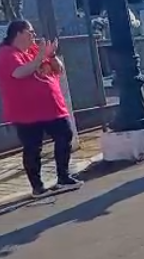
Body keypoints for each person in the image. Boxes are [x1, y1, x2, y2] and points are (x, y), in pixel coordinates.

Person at [0, 20, 83, 196]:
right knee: (32, 147)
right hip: (27, 111)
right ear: (19, 33)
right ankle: (37, 186)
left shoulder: (35, 50)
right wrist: (39, 58)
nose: (34, 36)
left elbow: (58, 71)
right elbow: (19, 73)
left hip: (52, 107)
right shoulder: (7, 53)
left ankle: (63, 177)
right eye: (30, 32)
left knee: (65, 134)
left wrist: (51, 55)